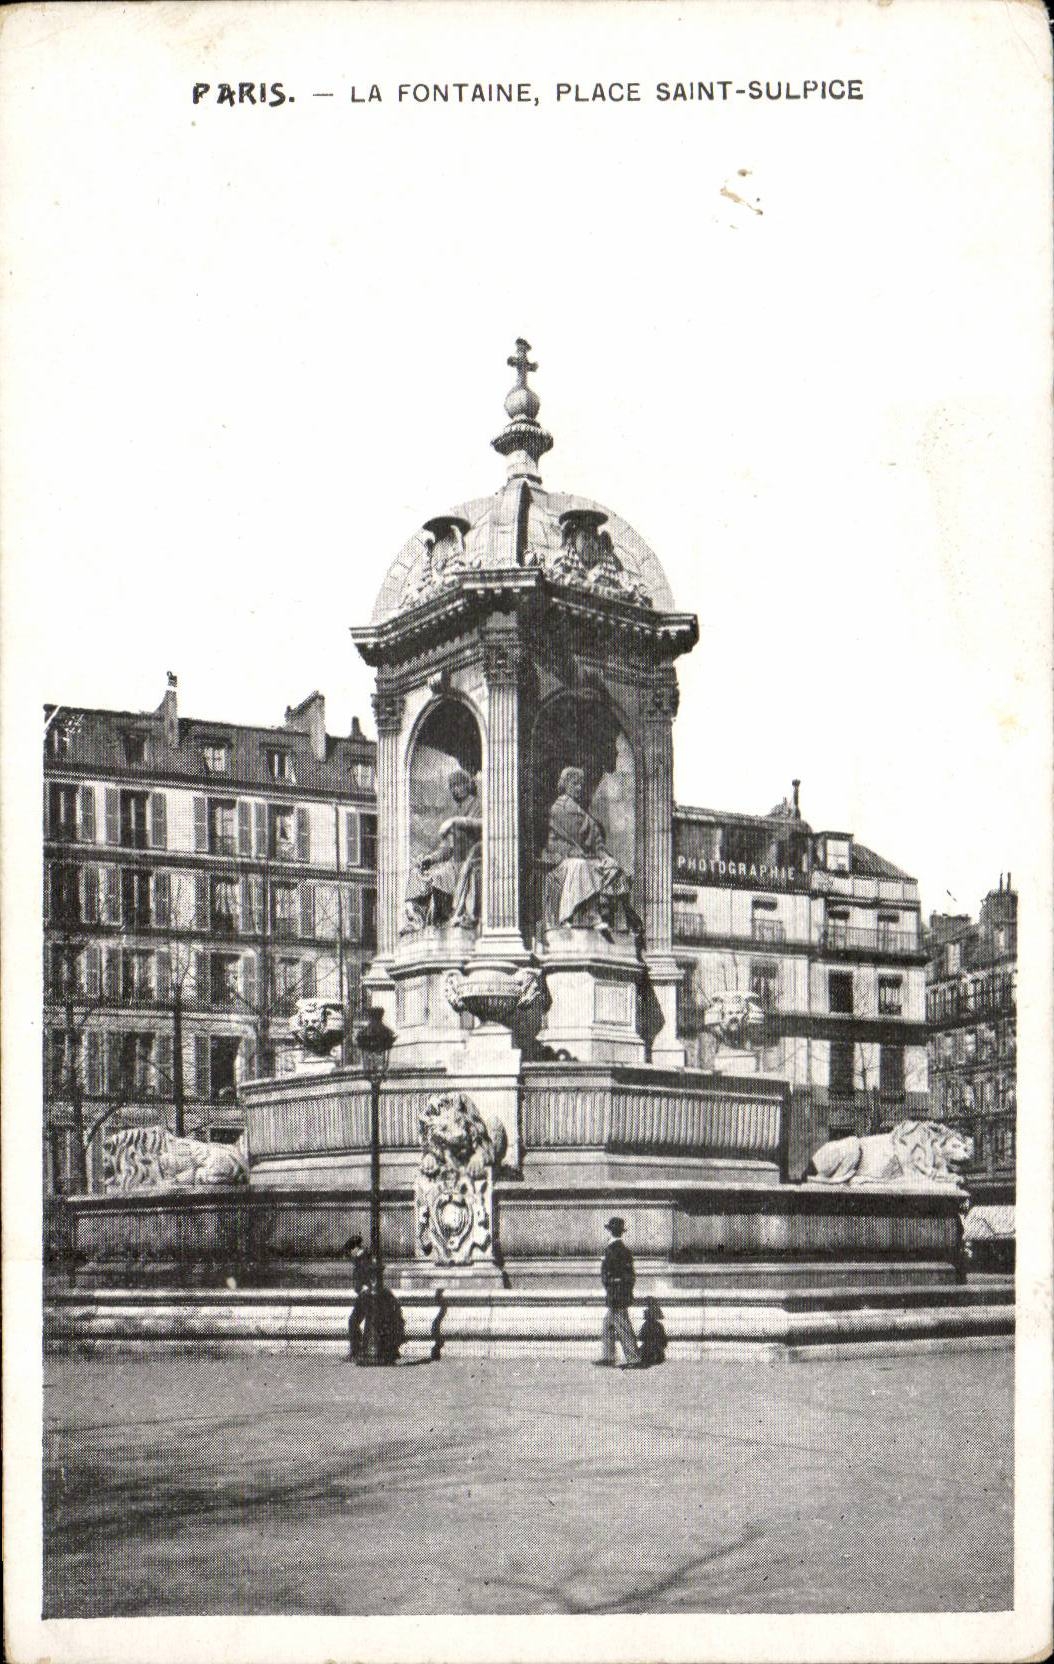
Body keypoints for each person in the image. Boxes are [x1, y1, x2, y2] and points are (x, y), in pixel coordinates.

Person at [541, 766, 632, 932]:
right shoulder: (558, 809)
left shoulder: (582, 812)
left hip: (585, 858)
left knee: (612, 866)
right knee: (579, 865)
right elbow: (551, 842)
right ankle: (586, 914)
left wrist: (604, 856)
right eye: (575, 784)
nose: (579, 788)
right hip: (561, 861)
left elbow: (596, 842)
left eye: (581, 784)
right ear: (565, 785)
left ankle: (619, 921)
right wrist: (569, 851)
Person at [405, 768, 482, 928]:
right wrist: (430, 859)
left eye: (458, 784)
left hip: (470, 858)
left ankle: (444, 919)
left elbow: (483, 825)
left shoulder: (478, 805)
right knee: (419, 874)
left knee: (441, 877)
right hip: (455, 861)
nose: (455, 789)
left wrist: (457, 822)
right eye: (452, 786)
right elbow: (447, 848)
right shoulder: (458, 810)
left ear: (467, 784)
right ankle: (417, 919)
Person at [595, 1216, 642, 1368]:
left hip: (616, 1294)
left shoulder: (614, 1249)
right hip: (619, 1293)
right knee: (608, 1324)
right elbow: (630, 1276)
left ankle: (633, 1358)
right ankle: (608, 1357)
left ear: (610, 1231)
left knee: (623, 1326)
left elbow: (609, 1273)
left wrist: (613, 1286)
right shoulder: (622, 1249)